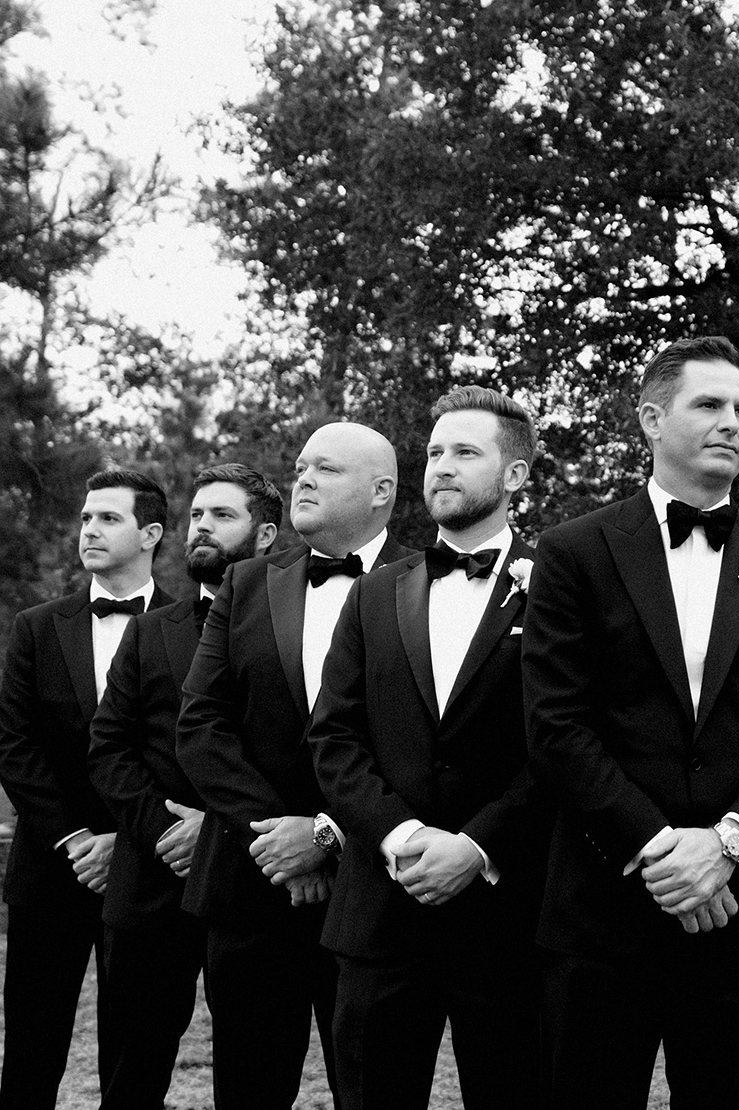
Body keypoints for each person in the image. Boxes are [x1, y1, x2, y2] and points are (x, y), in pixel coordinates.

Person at [523, 336, 739, 1109]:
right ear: (652, 418)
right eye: (709, 404)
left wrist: (727, 846)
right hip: (601, 912)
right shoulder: (572, 551)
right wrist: (664, 852)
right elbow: (557, 725)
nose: (732, 422)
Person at [309, 387, 550, 1109]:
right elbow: (333, 737)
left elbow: (564, 744)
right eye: (435, 453)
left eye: (465, 452)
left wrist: (476, 847)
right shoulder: (375, 594)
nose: (442, 467)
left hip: (508, 920)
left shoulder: (561, 589)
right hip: (382, 912)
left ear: (515, 476)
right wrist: (405, 836)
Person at [176, 423, 410, 1110]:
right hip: (251, 886)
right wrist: (275, 833)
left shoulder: (422, 581)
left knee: (371, 1088)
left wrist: (329, 832)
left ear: (380, 491)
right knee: (248, 1087)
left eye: (325, 469)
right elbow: (201, 725)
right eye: (302, 466)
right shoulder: (247, 583)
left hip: (372, 888)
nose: (303, 478)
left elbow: (428, 743)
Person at [88, 463, 282, 1109]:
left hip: (251, 889)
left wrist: (221, 828)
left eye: (222, 516)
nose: (201, 527)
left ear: (264, 536)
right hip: (149, 887)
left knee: (253, 1074)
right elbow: (110, 748)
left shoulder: (293, 629)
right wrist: (167, 830)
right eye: (197, 514)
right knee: (128, 1076)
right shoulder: (149, 631)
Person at [0, 468, 171, 1110]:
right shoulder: (37, 627)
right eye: (85, 517)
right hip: (50, 867)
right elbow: (15, 747)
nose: (89, 530)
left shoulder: (191, 625)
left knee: (138, 1052)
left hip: (149, 871)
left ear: (151, 532)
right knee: (31, 1053)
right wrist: (76, 838)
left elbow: (185, 751)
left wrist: (127, 837)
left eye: (108, 518)